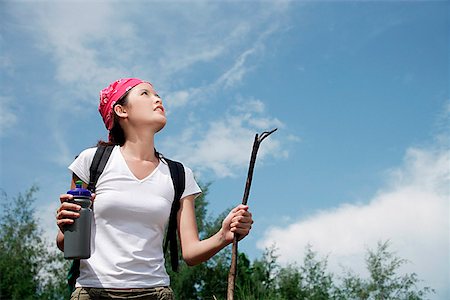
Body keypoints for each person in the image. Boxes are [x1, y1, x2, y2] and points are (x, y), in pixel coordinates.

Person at [56, 78, 254, 300]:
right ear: (121, 110)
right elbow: (65, 245)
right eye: (145, 94)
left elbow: (190, 253)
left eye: (157, 94)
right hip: (92, 291)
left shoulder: (179, 174)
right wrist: (65, 228)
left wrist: (224, 235)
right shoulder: (91, 162)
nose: (158, 99)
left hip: (155, 292)